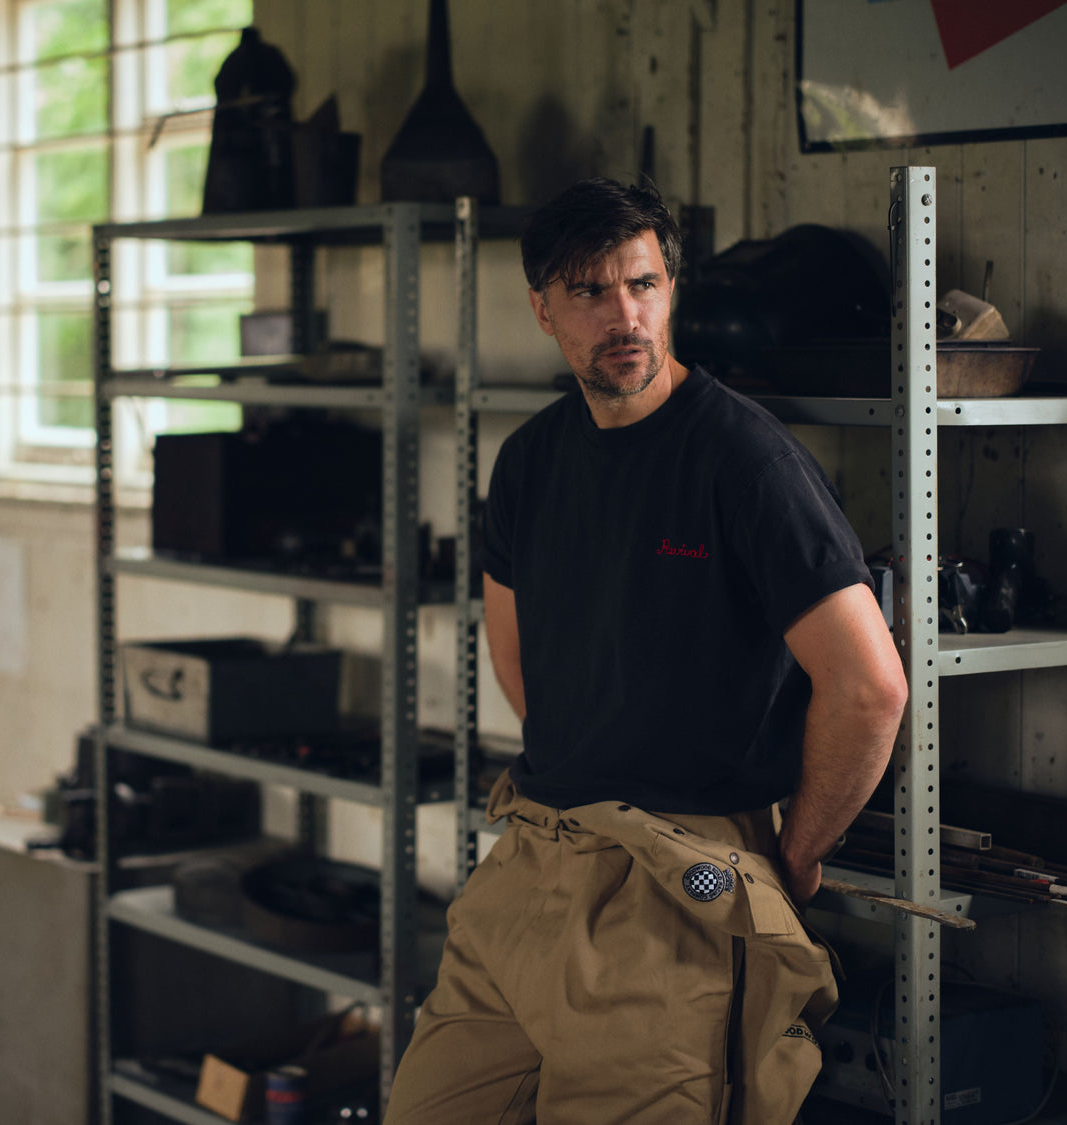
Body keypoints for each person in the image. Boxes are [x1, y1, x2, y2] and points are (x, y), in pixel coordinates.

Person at [382, 178, 908, 1125]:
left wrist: (793, 855)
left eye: (644, 283)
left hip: (677, 885)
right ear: (543, 309)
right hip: (531, 862)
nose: (625, 315)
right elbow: (517, 659)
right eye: (590, 291)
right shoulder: (530, 459)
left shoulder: (745, 460)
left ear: (671, 288)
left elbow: (869, 686)